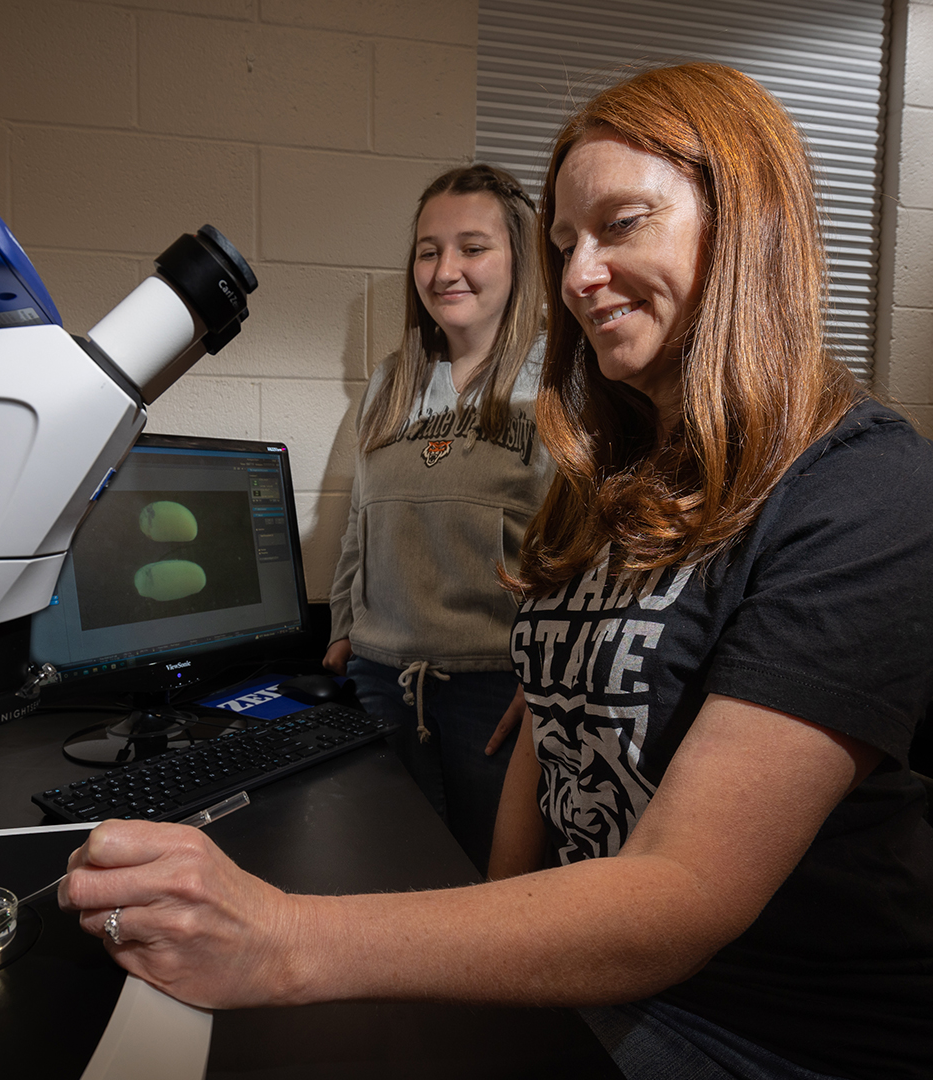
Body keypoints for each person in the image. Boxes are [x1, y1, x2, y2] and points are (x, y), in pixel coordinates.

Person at [61, 64, 933, 1080]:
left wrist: (285, 939)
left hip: (761, 1025)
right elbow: (548, 731)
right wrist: (485, 989)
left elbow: (686, 890)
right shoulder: (608, 475)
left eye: (623, 224)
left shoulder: (864, 487)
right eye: (565, 245)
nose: (576, 276)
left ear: (750, 225)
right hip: (600, 976)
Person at [322, 163, 552, 873]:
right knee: (393, 875)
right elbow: (361, 518)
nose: (446, 269)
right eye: (428, 249)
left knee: (492, 893)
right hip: (382, 682)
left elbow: (588, 545)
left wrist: (551, 680)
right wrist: (342, 629)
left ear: (520, 259)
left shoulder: (561, 383)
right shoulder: (392, 380)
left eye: (472, 247)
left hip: (500, 692)